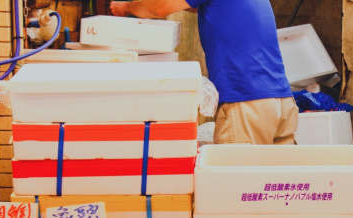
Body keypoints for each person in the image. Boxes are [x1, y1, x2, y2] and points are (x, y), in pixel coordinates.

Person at [110, 0, 298, 145]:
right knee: (273, 191)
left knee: (233, 191)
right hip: (282, 103)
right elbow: (194, 6)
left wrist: (126, 7)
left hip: (246, 104)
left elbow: (158, 8)